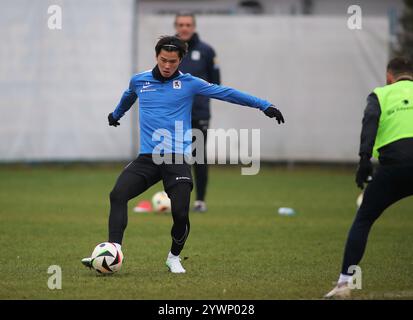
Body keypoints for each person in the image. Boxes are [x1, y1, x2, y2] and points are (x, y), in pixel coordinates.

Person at [81, 35, 284, 273]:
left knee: (180, 212)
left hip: (176, 158)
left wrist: (263, 105)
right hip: (148, 158)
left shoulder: (190, 83)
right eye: (163, 60)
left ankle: (173, 257)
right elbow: (128, 97)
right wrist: (115, 115)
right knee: (117, 195)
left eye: (173, 62)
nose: (167, 66)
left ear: (181, 61)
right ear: (156, 56)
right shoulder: (139, 81)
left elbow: (227, 92)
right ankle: (113, 251)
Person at [325, 57, 413, 298]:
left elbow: (370, 123)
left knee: (363, 219)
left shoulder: (381, 95)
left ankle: (344, 283)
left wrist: (364, 161)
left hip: (394, 166)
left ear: (389, 76)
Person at [174, 12, 221, 212]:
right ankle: (173, 199)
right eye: (181, 24)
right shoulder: (170, 49)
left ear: (193, 26)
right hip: (174, 114)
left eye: (188, 24)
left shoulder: (207, 51)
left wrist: (199, 97)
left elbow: (216, 83)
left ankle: (200, 200)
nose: (184, 28)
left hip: (198, 113)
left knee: (198, 157)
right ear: (176, 26)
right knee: (171, 157)